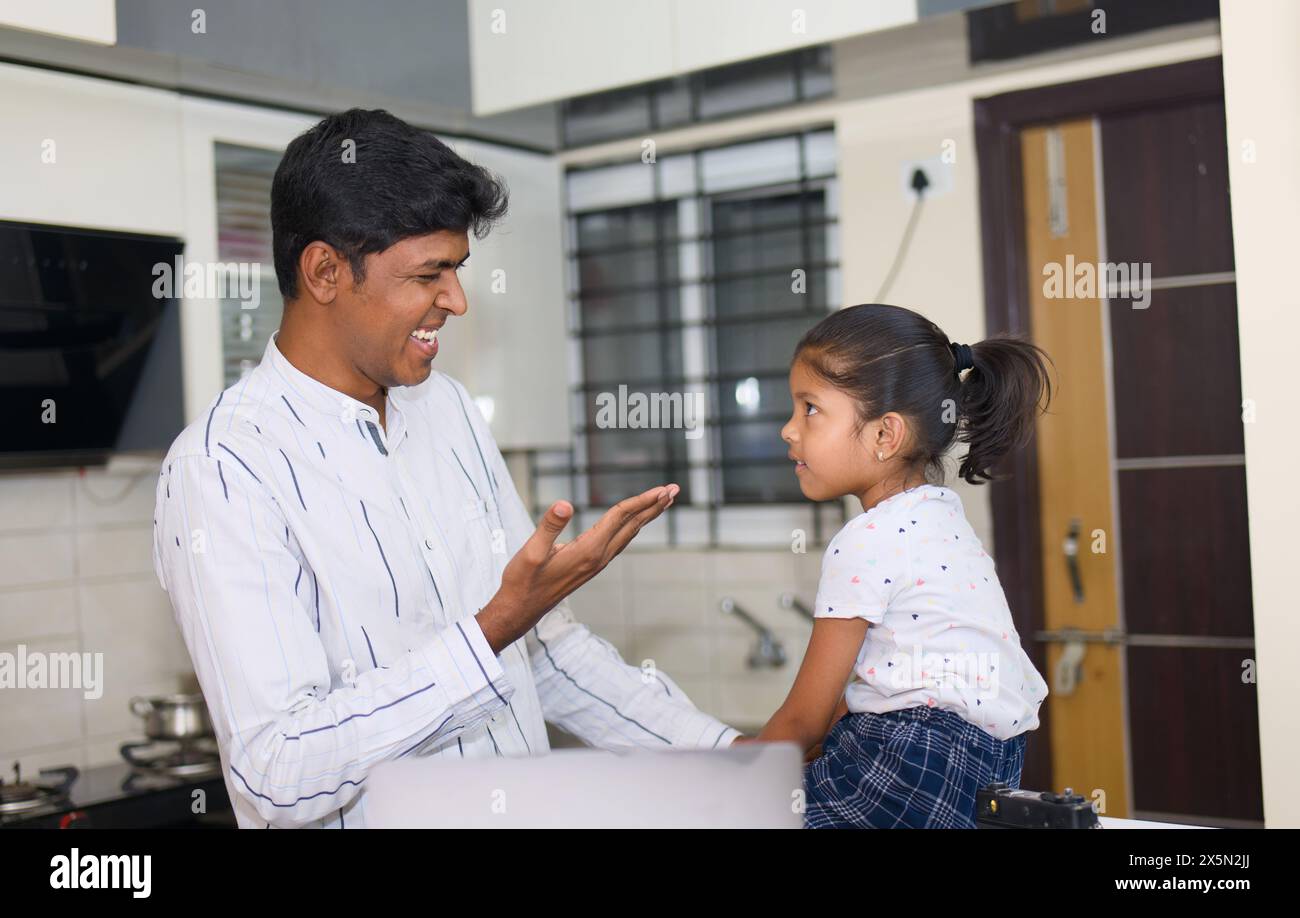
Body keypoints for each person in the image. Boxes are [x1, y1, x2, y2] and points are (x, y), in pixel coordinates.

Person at [151, 108, 740, 829]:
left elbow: (547, 657)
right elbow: (276, 771)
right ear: (326, 271)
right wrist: (490, 630)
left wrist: (731, 754)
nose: (455, 302)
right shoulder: (225, 465)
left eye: (456, 271)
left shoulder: (448, 409)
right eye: (429, 274)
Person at [735, 303, 1053, 828]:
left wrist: (740, 772)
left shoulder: (866, 540)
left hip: (911, 761)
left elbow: (805, 719)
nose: (788, 431)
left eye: (809, 408)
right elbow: (874, 688)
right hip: (993, 767)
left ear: (886, 435)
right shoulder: (943, 519)